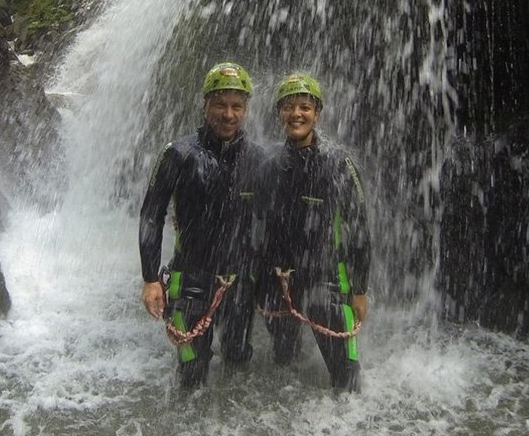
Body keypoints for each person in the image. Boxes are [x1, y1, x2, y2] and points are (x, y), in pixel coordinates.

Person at [139, 62, 265, 388]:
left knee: (238, 360)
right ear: (205, 104)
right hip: (191, 279)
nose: (228, 114)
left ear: (246, 109)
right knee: (192, 377)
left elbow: (273, 219)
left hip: (239, 281)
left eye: (237, 106)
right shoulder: (180, 154)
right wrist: (151, 279)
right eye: (220, 104)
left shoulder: (257, 157)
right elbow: (151, 215)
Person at [257, 73, 371, 392]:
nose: (297, 114)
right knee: (284, 364)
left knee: (346, 381)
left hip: (326, 281)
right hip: (282, 282)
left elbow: (358, 228)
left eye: (305, 107)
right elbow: (258, 225)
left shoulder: (338, 163)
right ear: (280, 113)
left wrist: (359, 289)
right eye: (289, 107)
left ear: (317, 113)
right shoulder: (270, 166)